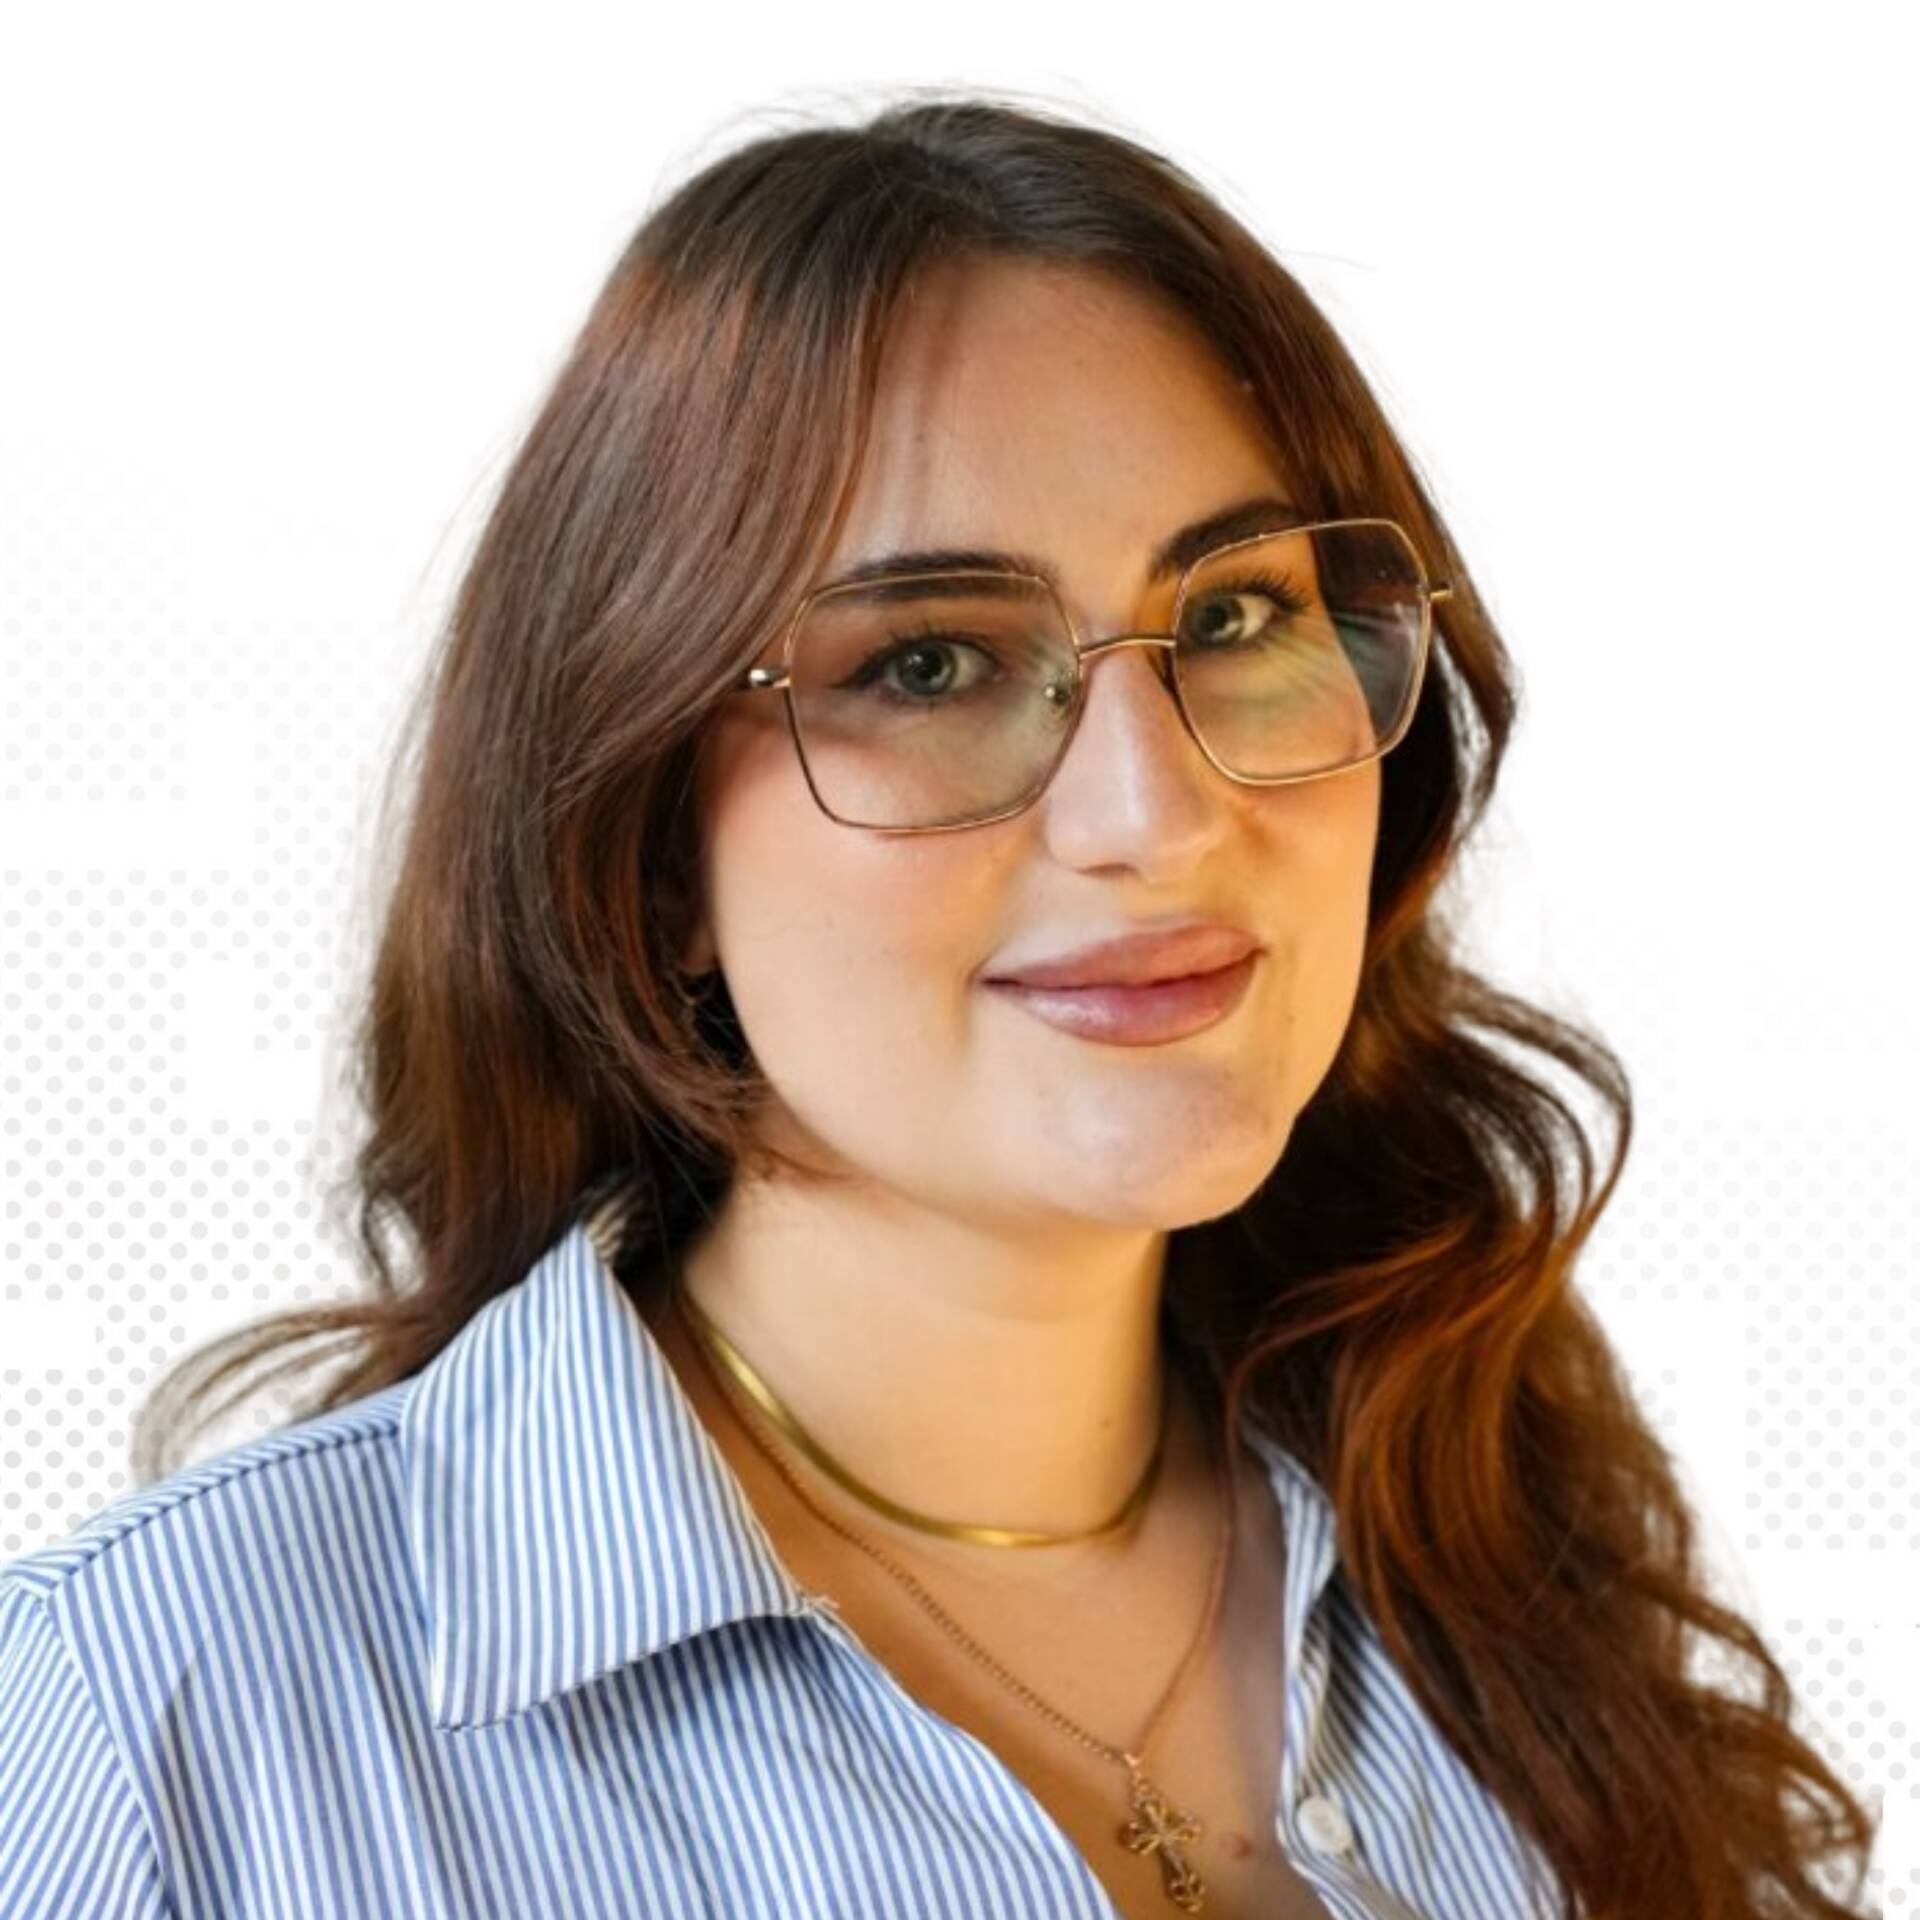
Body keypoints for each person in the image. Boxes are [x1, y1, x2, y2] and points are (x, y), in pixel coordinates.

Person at [0, 93, 1879, 1920]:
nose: (1156, 814)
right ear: (652, 855)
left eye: (1234, 620)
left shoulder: (1495, 1563)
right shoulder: (163, 1722)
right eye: (930, 661)